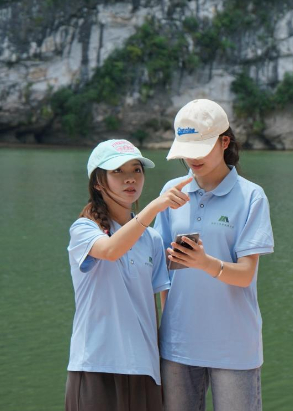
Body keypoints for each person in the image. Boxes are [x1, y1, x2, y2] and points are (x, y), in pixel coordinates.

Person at [154, 99, 275, 411]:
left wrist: (205, 263)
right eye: (187, 150)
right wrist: (170, 329)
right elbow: (163, 272)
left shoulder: (251, 196)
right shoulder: (171, 193)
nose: (192, 158)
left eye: (201, 148)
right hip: (178, 345)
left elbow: (246, 274)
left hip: (234, 346)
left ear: (225, 142)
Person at [65, 139, 192, 411]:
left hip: (144, 369)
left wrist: (163, 364)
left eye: (136, 170)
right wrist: (154, 208)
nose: (130, 178)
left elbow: (156, 307)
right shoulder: (84, 229)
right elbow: (110, 250)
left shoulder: (152, 239)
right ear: (98, 183)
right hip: (96, 365)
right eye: (117, 171)